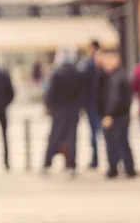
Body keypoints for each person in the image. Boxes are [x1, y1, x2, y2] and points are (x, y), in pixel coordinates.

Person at [42, 46, 82, 177]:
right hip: (72, 109)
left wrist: (48, 106)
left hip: (59, 110)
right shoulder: (77, 73)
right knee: (72, 138)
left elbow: (51, 93)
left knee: (54, 137)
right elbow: (82, 93)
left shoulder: (57, 73)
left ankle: (47, 164)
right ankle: (71, 165)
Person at [101, 48, 136, 178]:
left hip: (117, 115)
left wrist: (109, 114)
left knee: (116, 142)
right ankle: (128, 168)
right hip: (123, 113)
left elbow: (114, 97)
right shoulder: (121, 74)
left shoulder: (116, 77)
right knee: (123, 142)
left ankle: (115, 169)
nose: (105, 65)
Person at [80, 39, 102, 169]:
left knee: (95, 131)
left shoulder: (89, 64)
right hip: (97, 103)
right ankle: (97, 159)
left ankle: (96, 159)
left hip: (93, 103)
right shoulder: (97, 64)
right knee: (97, 132)